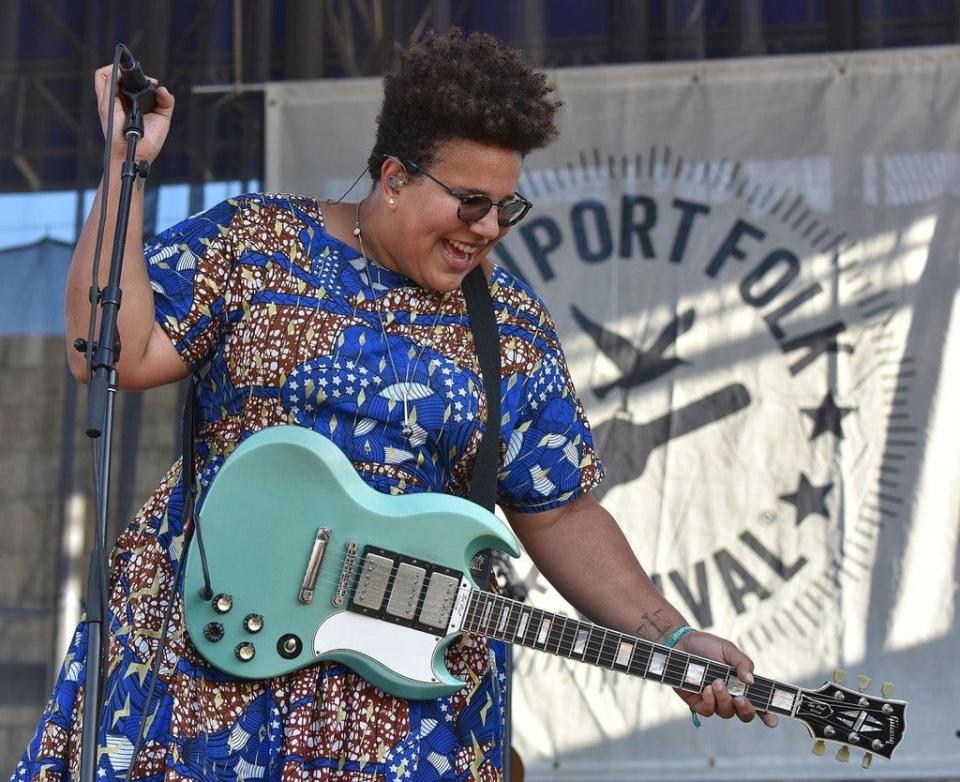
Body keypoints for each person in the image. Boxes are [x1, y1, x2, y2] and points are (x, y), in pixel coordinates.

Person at [14, 28, 777, 782]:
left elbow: (561, 512)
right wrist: (124, 166)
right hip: (207, 651)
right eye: (470, 202)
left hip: (398, 702)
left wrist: (670, 635)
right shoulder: (255, 244)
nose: (487, 230)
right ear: (393, 177)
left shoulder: (509, 326)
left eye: (506, 210)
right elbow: (103, 348)